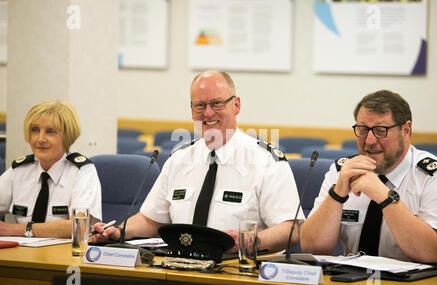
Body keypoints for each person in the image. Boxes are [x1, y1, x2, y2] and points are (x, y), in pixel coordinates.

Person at [92, 70, 302, 253]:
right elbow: (150, 220)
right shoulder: (179, 159)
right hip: (179, 270)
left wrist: (249, 241)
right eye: (200, 105)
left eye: (217, 103)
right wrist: (118, 231)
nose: (208, 113)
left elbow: (290, 229)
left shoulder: (266, 162)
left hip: (239, 272)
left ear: (236, 105)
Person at [300, 90, 437, 263]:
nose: (369, 141)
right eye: (363, 130)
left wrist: (384, 196)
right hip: (351, 283)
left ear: (406, 131)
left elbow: (433, 253)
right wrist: (337, 194)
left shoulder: (435, 177)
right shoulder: (342, 171)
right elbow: (312, 248)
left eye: (380, 130)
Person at [0, 100, 102, 238]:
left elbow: (79, 226)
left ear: (67, 137)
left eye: (50, 132)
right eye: (35, 130)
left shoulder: (82, 172)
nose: (40, 139)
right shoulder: (20, 170)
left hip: (63, 256)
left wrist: (14, 229)